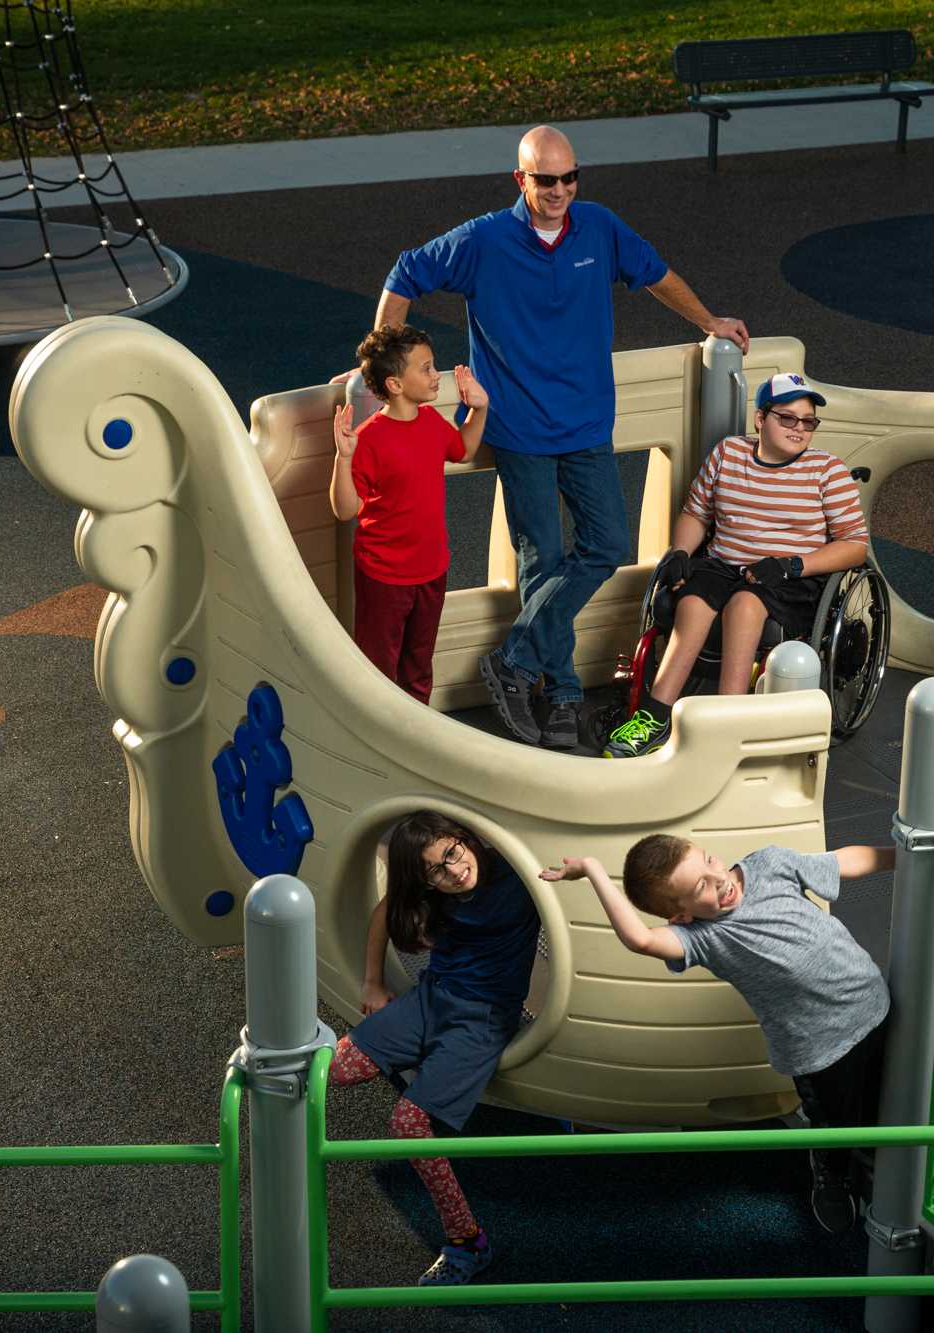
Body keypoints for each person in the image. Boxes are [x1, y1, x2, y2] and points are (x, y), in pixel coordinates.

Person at [369, 125, 749, 752]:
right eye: (546, 180)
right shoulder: (484, 239)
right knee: (543, 559)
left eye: (570, 178)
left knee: (604, 546)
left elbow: (656, 273)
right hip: (519, 429)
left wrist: (709, 320)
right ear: (521, 180)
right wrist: (383, 373)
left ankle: (513, 659)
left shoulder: (598, 227)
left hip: (586, 423)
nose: (560, 191)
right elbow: (405, 273)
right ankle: (565, 694)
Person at [544, 835, 894, 1234]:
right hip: (818, 1051)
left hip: (873, 1007)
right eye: (701, 887)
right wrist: (591, 868)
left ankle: (871, 1155)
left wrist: (900, 855)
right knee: (838, 1124)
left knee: (883, 1099)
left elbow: (840, 862)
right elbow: (640, 940)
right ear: (681, 917)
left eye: (709, 861)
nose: (719, 878)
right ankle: (831, 1170)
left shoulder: (770, 864)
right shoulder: (704, 938)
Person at [603, 373, 869, 759]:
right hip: (725, 564)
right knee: (692, 602)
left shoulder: (827, 471)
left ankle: (729, 720)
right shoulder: (728, 454)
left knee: (745, 605)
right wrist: (679, 551)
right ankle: (654, 715)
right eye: (787, 418)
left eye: (807, 421)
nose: (799, 428)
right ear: (760, 419)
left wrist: (792, 564)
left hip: (789, 576)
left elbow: (855, 546)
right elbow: (696, 513)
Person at [332, 810, 540, 1285]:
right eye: (435, 870)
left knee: (407, 1123)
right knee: (329, 1071)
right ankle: (414, 1064)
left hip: (482, 1019)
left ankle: (468, 1242)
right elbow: (385, 910)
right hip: (431, 998)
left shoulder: (514, 876)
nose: (452, 870)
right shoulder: (432, 892)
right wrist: (372, 981)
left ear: (464, 839)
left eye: (452, 853)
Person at [331, 325, 489, 704]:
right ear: (396, 385)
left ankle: (417, 738)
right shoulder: (368, 439)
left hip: (432, 570)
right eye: (427, 369)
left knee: (419, 668)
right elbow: (344, 509)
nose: (437, 376)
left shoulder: (432, 422)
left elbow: (463, 449)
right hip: (383, 577)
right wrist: (344, 457)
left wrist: (479, 409)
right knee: (378, 669)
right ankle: (377, 743)